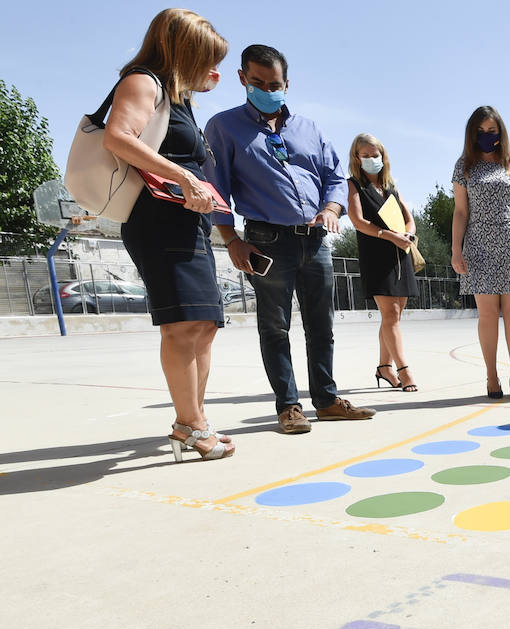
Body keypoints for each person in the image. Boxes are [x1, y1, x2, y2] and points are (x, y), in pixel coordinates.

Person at [204, 44, 375, 433]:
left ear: (287, 84)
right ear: (242, 78)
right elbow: (216, 190)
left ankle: (327, 400)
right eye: (259, 82)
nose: (267, 89)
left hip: (315, 240)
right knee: (275, 327)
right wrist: (232, 241)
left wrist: (332, 208)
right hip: (266, 242)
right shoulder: (224, 127)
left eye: (275, 83)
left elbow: (334, 176)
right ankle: (288, 406)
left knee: (322, 326)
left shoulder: (309, 129)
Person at [102, 9, 234, 461]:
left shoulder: (179, 99)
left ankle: (193, 420)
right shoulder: (141, 82)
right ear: (184, 51)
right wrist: (184, 175)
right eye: (207, 58)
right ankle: (191, 426)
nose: (212, 70)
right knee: (181, 327)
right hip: (156, 220)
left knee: (204, 325)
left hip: (187, 220)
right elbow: (118, 137)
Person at [450, 106, 510, 400]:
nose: (487, 136)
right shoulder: (464, 166)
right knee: (487, 316)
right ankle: (491, 376)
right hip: (478, 246)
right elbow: (461, 212)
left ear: (501, 133)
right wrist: (456, 249)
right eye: (481, 131)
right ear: (472, 133)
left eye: (492, 131)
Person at [345, 133, 420, 392]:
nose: (371, 159)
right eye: (365, 155)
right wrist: (389, 236)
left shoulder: (390, 186)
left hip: (400, 255)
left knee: (394, 315)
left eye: (374, 155)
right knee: (390, 315)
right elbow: (357, 221)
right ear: (357, 158)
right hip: (376, 256)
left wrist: (407, 234)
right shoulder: (354, 184)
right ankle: (403, 370)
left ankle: (384, 367)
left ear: (383, 156)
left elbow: (409, 219)